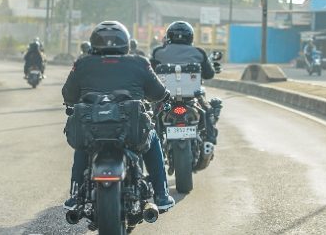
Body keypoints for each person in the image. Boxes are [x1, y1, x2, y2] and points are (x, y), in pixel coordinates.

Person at [62, 21, 175, 212]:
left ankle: (74, 195)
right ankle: (162, 195)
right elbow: (158, 93)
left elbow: (68, 95)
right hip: (130, 129)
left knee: (82, 146)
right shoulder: (140, 62)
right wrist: (164, 98)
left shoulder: (82, 63)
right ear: (125, 42)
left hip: (92, 129)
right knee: (153, 138)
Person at [150, 21, 222, 145]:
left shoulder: (158, 52)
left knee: (153, 114)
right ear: (190, 36)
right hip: (192, 96)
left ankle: (153, 144)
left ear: (169, 36)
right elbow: (209, 74)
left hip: (166, 97)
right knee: (207, 110)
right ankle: (210, 138)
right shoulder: (199, 52)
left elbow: (150, 74)